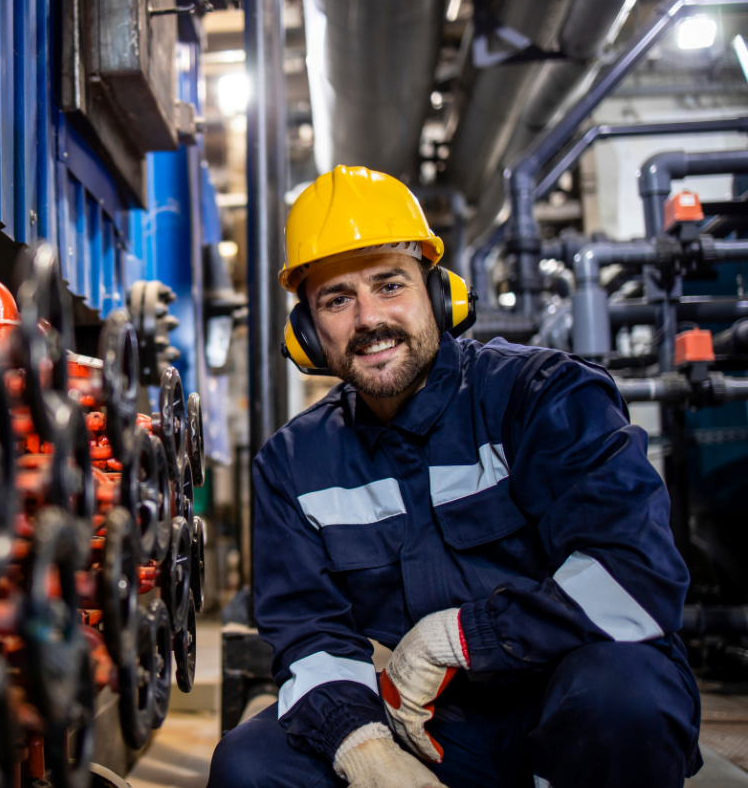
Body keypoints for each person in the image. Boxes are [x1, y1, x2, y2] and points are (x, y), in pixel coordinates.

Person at [208, 166, 701, 788]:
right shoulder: (293, 463)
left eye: (389, 285)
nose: (367, 319)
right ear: (306, 332)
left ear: (440, 296)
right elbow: (312, 636)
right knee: (249, 767)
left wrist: (462, 636)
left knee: (624, 696)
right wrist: (363, 749)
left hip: (571, 693)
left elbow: (636, 576)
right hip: (428, 725)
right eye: (336, 300)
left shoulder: (542, 397)